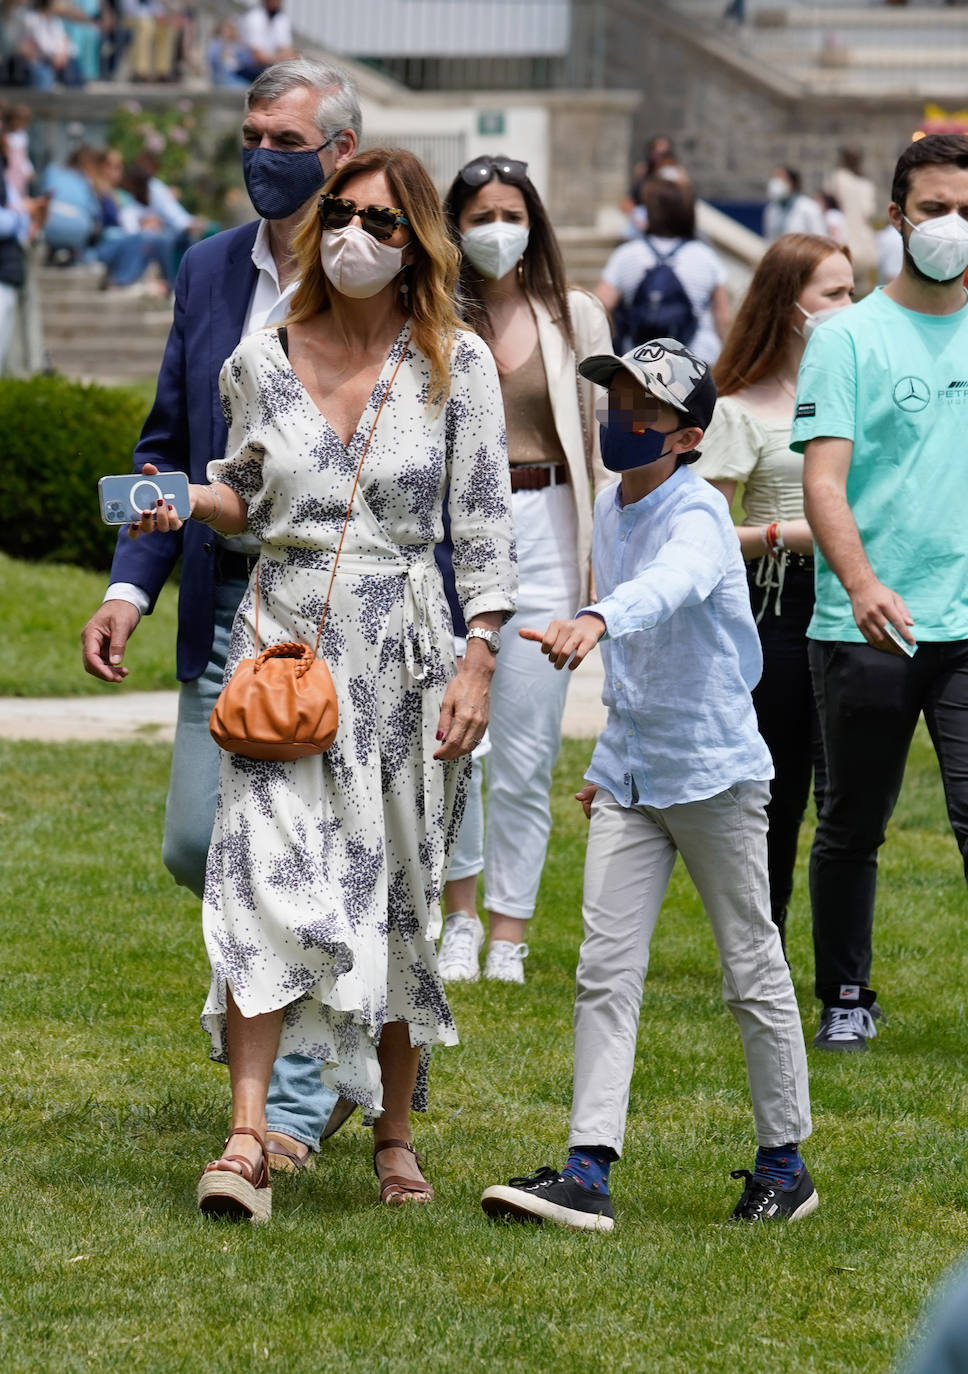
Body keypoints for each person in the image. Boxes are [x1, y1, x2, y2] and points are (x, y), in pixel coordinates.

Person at [129, 145, 517, 1221]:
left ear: (417, 244)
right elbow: (245, 494)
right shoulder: (260, 356)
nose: (355, 236)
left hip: (402, 656)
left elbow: (481, 527)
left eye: (384, 223)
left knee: (390, 891)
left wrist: (479, 659)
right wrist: (181, 502)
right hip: (280, 651)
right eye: (341, 215)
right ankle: (247, 1137)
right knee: (253, 875)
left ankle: (392, 1134)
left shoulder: (455, 363)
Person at [79, 58, 362, 1173]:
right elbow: (164, 447)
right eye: (250, 132)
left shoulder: (378, 277)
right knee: (202, 842)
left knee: (310, 848)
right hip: (225, 606)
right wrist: (124, 585)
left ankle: (293, 1104)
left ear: (338, 151)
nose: (261, 154)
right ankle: (340, 1020)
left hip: (339, 608)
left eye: (282, 137)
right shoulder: (205, 270)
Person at [479, 338, 814, 1231]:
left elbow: (671, 590)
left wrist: (596, 614)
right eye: (613, 394)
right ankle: (588, 1170)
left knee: (751, 968)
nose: (617, 415)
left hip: (713, 775)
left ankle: (786, 1163)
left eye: (643, 407)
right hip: (633, 776)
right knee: (603, 970)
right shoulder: (611, 509)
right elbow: (637, 667)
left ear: (687, 436)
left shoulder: (698, 514)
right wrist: (604, 764)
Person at [794, 133, 968, 1051]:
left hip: (967, 625)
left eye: (965, 210)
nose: (951, 226)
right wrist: (860, 583)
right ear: (896, 217)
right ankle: (847, 996)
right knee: (853, 823)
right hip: (867, 623)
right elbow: (824, 481)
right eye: (934, 208)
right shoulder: (847, 337)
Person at [434, 154, 612, 985]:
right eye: (478, 216)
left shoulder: (574, 315)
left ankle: (510, 929)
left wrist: (603, 564)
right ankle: (458, 916)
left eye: (510, 213)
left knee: (528, 748)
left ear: (533, 220)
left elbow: (607, 449)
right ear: (454, 228)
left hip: (546, 525)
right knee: (455, 740)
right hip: (451, 534)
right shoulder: (431, 312)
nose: (496, 230)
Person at [694, 233, 854, 952]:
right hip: (778, 608)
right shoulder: (739, 409)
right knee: (780, 789)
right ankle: (765, 941)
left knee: (846, 795)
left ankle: (842, 966)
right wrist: (796, 532)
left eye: (853, 290)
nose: (851, 306)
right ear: (792, 308)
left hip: (852, 598)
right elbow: (705, 530)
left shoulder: (853, 393)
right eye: (835, 293)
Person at [596, 179, 731, 365]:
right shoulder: (706, 257)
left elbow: (600, 307)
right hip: (698, 360)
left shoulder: (626, 255)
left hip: (641, 364)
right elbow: (722, 317)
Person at [825, 148, 878, 292]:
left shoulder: (839, 178)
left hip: (846, 235)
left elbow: (830, 199)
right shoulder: (866, 184)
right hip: (863, 240)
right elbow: (869, 211)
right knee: (860, 286)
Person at [237, 0, 294, 82]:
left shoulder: (281, 19)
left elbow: (287, 50)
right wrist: (281, 59)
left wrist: (282, 59)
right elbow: (257, 57)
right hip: (248, 70)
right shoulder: (253, 18)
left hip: (270, 67)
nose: (277, 3)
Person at [763, 167, 826, 242]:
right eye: (775, 178)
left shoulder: (809, 207)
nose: (777, 183)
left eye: (781, 179)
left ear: (793, 183)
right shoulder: (771, 210)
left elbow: (821, 239)